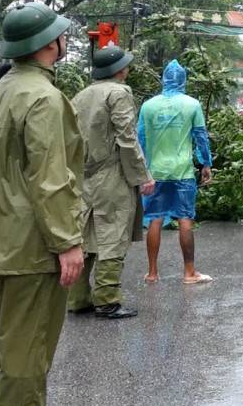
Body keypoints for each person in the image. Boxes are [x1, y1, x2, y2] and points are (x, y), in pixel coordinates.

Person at [0, 1, 84, 406]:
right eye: (60, 33)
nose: (64, 38)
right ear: (50, 44)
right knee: (28, 356)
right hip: (34, 245)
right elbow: (50, 177)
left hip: (5, 238)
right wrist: (68, 241)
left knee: (9, 349)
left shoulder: (3, 90)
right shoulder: (44, 98)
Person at [67, 45, 156, 319]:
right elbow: (127, 138)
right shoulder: (118, 93)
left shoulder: (80, 95)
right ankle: (107, 300)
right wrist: (143, 176)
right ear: (119, 70)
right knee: (112, 236)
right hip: (112, 175)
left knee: (86, 235)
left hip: (84, 175)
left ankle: (77, 298)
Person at [139, 60, 214, 284]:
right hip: (182, 172)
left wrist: (141, 169)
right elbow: (201, 136)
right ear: (183, 80)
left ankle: (152, 272)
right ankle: (189, 272)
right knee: (185, 219)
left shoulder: (148, 106)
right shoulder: (192, 105)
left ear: (163, 79)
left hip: (155, 172)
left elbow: (139, 138)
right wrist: (206, 163)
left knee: (154, 219)